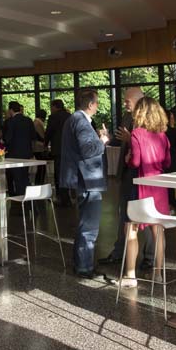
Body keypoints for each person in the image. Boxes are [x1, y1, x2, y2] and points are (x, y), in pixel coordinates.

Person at [99, 87, 155, 270]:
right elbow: (121, 140)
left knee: (145, 215)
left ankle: (150, 257)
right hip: (126, 172)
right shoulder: (127, 117)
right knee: (124, 214)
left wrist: (131, 139)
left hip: (142, 173)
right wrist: (108, 138)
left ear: (138, 99)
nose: (125, 104)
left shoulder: (150, 117)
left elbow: (148, 145)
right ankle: (119, 253)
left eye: (127, 101)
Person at [118, 97, 171, 287]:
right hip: (159, 187)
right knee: (158, 231)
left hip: (140, 186)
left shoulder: (136, 134)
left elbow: (135, 162)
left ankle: (130, 276)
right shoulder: (163, 135)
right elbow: (167, 162)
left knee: (131, 229)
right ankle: (158, 274)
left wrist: (127, 158)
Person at [60, 89, 110, 278]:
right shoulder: (81, 121)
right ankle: (84, 267)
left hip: (84, 179)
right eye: (96, 103)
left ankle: (82, 263)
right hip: (88, 180)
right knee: (89, 226)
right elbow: (88, 150)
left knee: (85, 224)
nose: (97, 106)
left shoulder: (74, 120)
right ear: (90, 105)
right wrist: (102, 140)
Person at [3, 101, 35, 196]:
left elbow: (8, 138)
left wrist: (3, 141)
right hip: (26, 153)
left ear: (11, 110)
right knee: (25, 175)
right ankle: (27, 195)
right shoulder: (28, 120)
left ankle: (20, 197)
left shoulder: (11, 121)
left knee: (17, 177)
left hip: (14, 154)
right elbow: (33, 136)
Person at [44, 99, 71, 200]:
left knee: (59, 173)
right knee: (68, 172)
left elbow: (49, 132)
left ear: (55, 107)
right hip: (69, 149)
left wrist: (45, 144)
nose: (51, 109)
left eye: (51, 107)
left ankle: (61, 196)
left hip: (58, 149)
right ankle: (67, 194)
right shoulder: (70, 116)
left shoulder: (53, 117)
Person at [165, 110, 176, 207]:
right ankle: (172, 204)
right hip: (172, 160)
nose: (173, 120)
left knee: (164, 185)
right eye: (172, 118)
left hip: (161, 161)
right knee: (172, 185)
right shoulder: (175, 131)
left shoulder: (157, 131)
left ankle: (166, 204)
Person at [33, 109, 47, 184]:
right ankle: (39, 183)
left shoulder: (35, 122)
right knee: (41, 167)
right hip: (39, 147)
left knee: (40, 167)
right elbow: (41, 136)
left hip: (37, 147)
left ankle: (38, 182)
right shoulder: (38, 123)